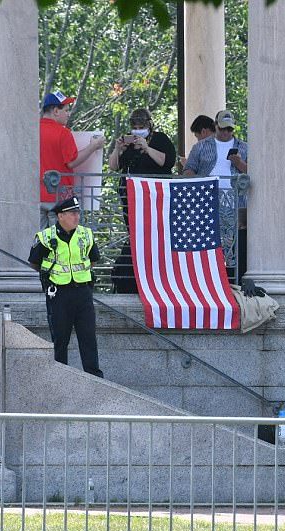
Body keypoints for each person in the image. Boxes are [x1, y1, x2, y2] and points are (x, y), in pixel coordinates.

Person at [28, 197, 103, 378]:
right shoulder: (46, 237)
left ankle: (95, 381)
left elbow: (93, 259)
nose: (77, 217)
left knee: (88, 339)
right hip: (59, 294)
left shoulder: (85, 235)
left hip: (83, 293)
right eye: (72, 213)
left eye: (78, 213)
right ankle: (59, 379)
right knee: (60, 340)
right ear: (60, 216)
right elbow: (35, 262)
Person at [107, 108, 176, 294]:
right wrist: (118, 149)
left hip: (154, 197)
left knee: (153, 233)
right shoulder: (128, 142)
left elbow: (167, 161)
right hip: (131, 196)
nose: (138, 130)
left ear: (149, 125)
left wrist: (147, 148)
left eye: (141, 126)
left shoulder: (160, 139)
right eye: (135, 127)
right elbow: (114, 166)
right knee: (135, 233)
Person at [182, 109, 249, 277]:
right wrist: (199, 183)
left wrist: (239, 163)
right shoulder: (201, 146)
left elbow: (255, 174)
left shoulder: (244, 147)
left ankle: (235, 281)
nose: (226, 132)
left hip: (237, 204)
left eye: (229, 129)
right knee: (210, 244)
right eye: (222, 128)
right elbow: (188, 170)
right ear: (216, 126)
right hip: (207, 203)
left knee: (236, 245)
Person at [39, 91, 105, 221]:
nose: (68, 114)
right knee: (62, 238)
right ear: (56, 111)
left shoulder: (32, 130)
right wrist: (93, 146)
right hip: (61, 197)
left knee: (38, 238)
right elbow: (72, 161)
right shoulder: (63, 133)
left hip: (35, 196)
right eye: (66, 110)